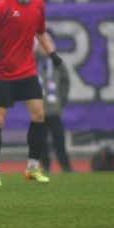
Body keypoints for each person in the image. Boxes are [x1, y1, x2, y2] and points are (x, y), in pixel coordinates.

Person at [0, 0, 63, 187]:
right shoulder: (2, 7)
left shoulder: (38, 5)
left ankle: (33, 166)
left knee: (39, 115)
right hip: (4, 73)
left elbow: (39, 31)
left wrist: (52, 53)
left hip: (27, 70)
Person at [35, 38, 73, 173]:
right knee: (41, 141)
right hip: (38, 110)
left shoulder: (57, 63)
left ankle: (66, 166)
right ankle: (45, 166)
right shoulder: (32, 62)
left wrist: (61, 100)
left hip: (54, 109)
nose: (43, 49)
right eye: (41, 46)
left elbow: (65, 82)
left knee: (59, 140)